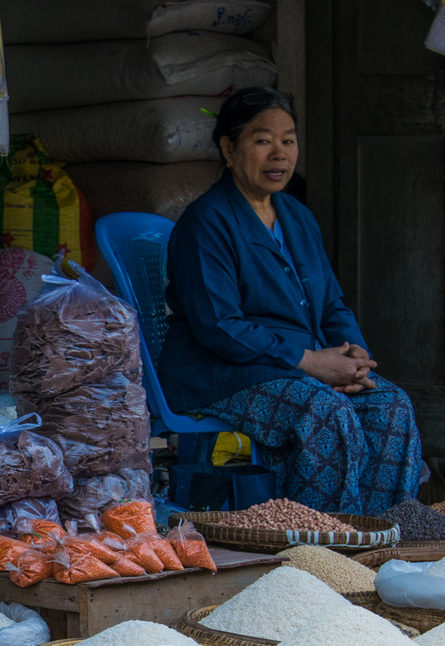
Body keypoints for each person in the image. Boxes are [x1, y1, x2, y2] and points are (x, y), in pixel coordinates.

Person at [158, 88, 425, 515]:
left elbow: (332, 303)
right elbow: (220, 325)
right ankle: (318, 548)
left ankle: (378, 540)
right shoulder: (207, 222)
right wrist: (310, 363)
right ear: (229, 148)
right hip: (223, 372)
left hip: (296, 367)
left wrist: (356, 357)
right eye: (262, 141)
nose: (278, 154)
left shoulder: (296, 215)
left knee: (389, 405)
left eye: (289, 140)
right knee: (324, 412)